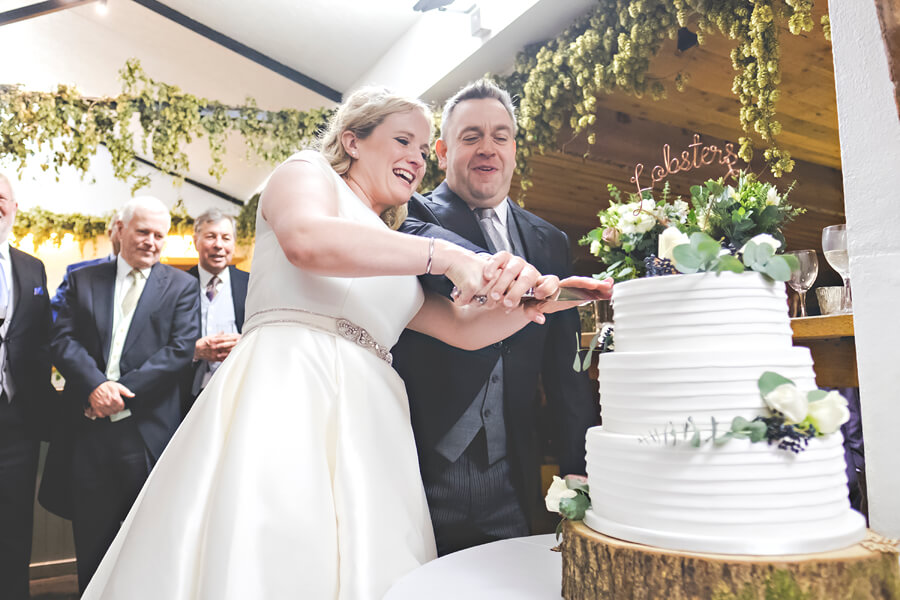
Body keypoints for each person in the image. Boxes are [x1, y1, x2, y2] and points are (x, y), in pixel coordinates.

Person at [77, 87, 611, 599]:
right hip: (288, 391)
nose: (417, 158)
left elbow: (462, 329)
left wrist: (547, 303)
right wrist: (444, 257)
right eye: (403, 140)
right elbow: (308, 241)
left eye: (424, 150)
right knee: (275, 555)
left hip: (371, 420)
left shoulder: (393, 243)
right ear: (353, 140)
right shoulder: (305, 174)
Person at [393, 79, 599, 555]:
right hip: (422, 462)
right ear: (442, 152)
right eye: (471, 137)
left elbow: (565, 369)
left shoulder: (549, 240)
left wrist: (577, 462)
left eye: (500, 136)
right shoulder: (409, 216)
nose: (488, 148)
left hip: (512, 471)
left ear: (513, 148)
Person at [49, 196, 200, 592]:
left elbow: (180, 351)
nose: (151, 241)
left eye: (159, 235)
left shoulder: (182, 286)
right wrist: (95, 387)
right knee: (93, 546)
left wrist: (120, 393)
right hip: (89, 432)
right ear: (119, 229)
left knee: (150, 546)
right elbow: (61, 339)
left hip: (146, 435)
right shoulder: (82, 279)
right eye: (143, 231)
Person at [0, 174, 54, 600]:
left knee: (15, 527)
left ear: (14, 206)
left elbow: (43, 341)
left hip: (17, 423)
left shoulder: (32, 267)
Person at [185, 208, 248, 411]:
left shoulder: (251, 283)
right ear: (196, 241)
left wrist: (244, 343)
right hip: (187, 396)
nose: (218, 245)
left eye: (226, 238)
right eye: (210, 236)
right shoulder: (177, 286)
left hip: (238, 393)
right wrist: (194, 351)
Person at [50, 211, 121, 321]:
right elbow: (55, 314)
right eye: (122, 229)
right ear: (111, 233)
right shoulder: (78, 272)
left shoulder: (155, 278)